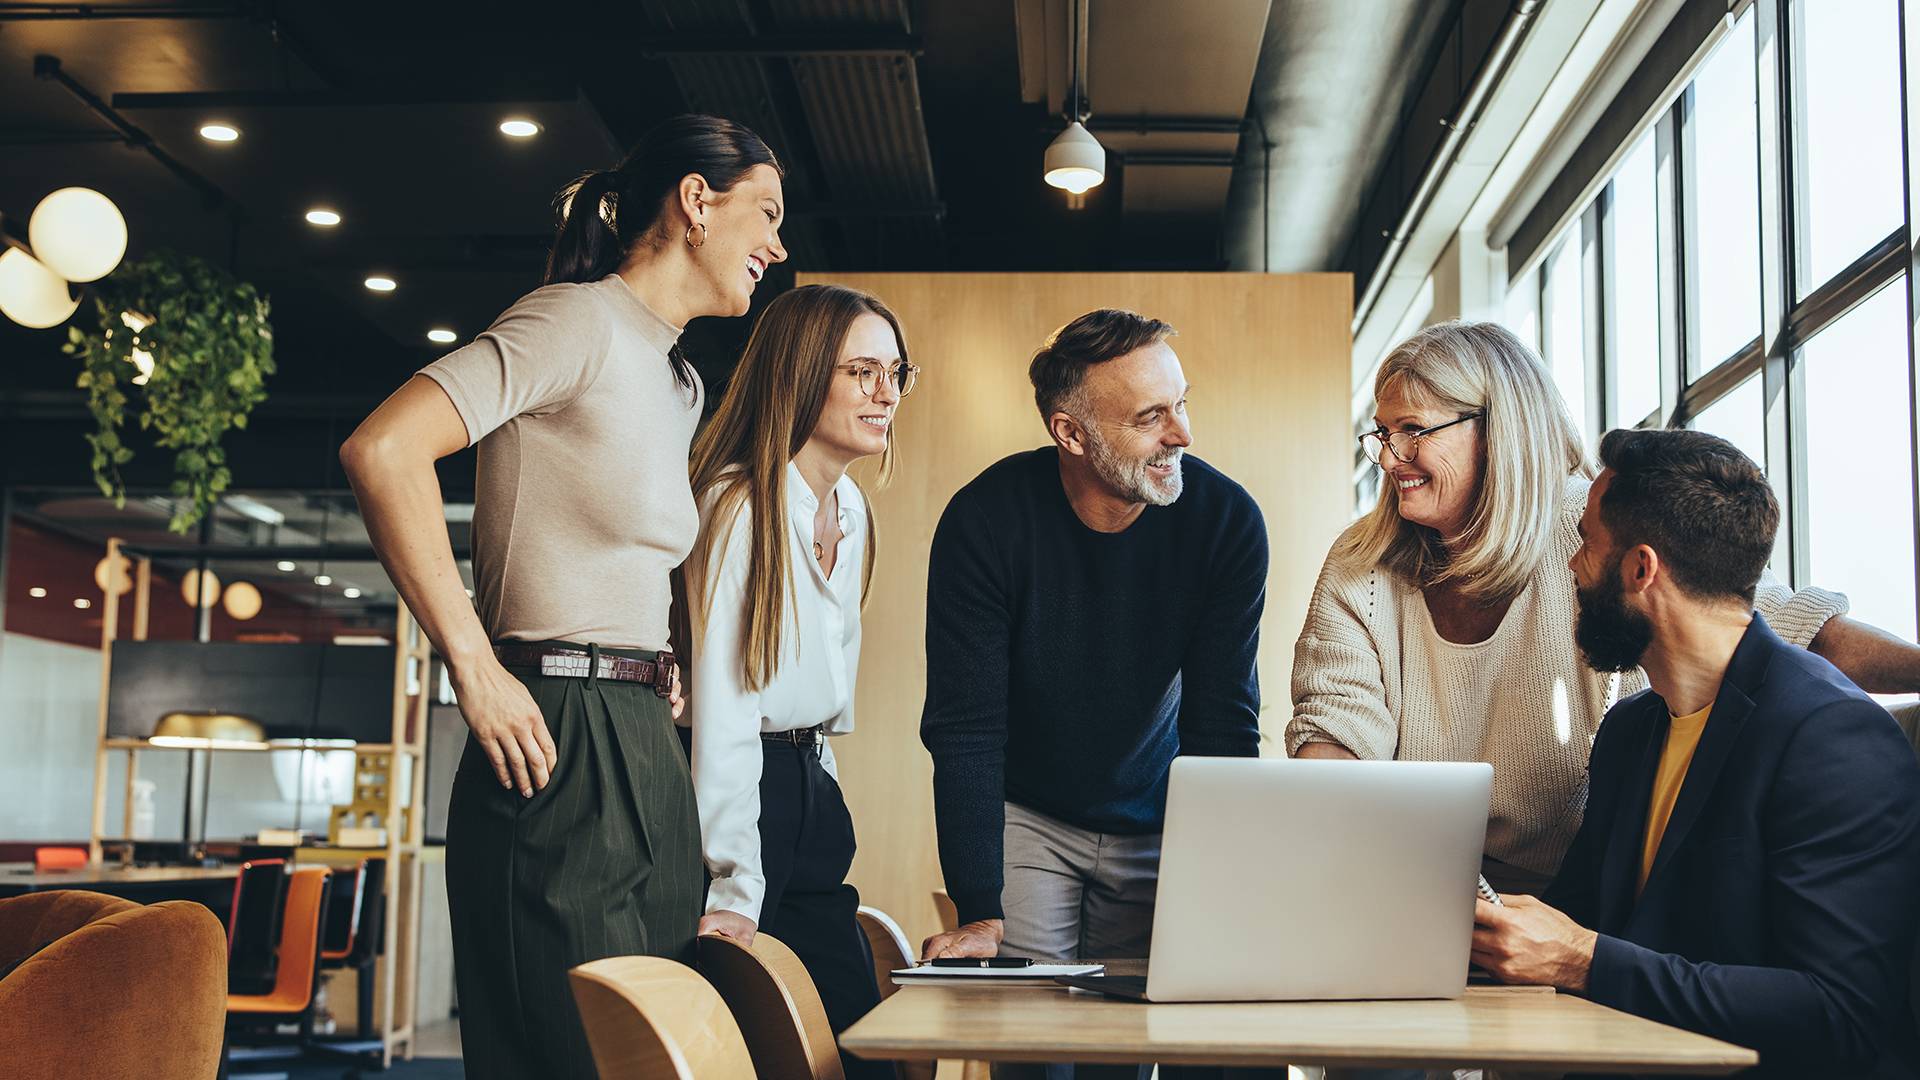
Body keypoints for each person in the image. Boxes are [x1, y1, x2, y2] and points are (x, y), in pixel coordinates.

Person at [339, 114, 788, 1079]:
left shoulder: (678, 382)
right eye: (766, 213)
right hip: (550, 726)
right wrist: (473, 662)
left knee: (650, 1051)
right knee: (564, 1052)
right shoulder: (573, 320)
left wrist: (656, 662)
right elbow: (383, 451)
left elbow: (637, 547)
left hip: (638, 733)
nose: (777, 245)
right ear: (696, 203)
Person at [1287, 320, 1920, 894]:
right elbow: (1334, 734)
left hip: (1582, 902)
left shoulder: (1592, 531)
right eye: (1383, 433)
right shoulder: (1364, 562)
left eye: (1413, 431)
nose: (1391, 459)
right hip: (1416, 887)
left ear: (1498, 430)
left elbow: (1783, 632)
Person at [1473, 427, 1920, 1079]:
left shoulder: (1833, 737)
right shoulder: (1632, 733)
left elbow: (1841, 1014)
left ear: (1640, 570)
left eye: (1586, 545)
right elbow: (1572, 920)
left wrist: (1583, 959)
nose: (1572, 567)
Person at [918, 309, 1268, 1079]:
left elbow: (1223, 721)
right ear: (1071, 433)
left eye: (1183, 403)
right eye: (1151, 417)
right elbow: (967, 727)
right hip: (1031, 817)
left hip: (1160, 811)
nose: (1182, 433)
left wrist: (1226, 884)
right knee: (1034, 1053)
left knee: (1136, 1053)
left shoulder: (1227, 523)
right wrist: (980, 906)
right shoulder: (986, 521)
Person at [680, 283, 916, 1080]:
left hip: (811, 786)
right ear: (801, 372)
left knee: (855, 1050)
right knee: (748, 1048)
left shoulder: (849, 509)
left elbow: (825, 695)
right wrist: (736, 883)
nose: (886, 392)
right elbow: (724, 707)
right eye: (861, 371)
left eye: (895, 372)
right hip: (745, 795)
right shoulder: (738, 503)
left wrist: (824, 789)